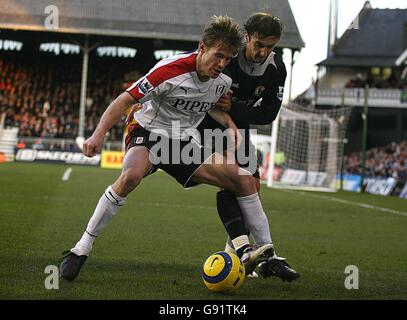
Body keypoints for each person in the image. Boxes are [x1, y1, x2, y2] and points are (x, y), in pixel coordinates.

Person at [60, 15, 274, 281]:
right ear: (202, 46)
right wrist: (97, 135)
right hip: (148, 133)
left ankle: (266, 255)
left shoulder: (222, 83)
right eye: (218, 55)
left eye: (228, 58)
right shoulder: (169, 70)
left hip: (181, 143)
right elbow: (124, 99)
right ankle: (82, 247)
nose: (222, 64)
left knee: (242, 179)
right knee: (131, 176)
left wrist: (229, 123)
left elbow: (212, 109)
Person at [197, 12, 299, 281]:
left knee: (251, 185)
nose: (264, 51)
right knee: (236, 181)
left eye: (270, 47)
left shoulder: (277, 68)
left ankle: (244, 258)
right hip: (206, 125)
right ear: (247, 38)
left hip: (237, 129)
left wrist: (237, 108)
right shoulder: (228, 57)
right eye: (259, 44)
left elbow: (267, 114)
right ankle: (257, 256)